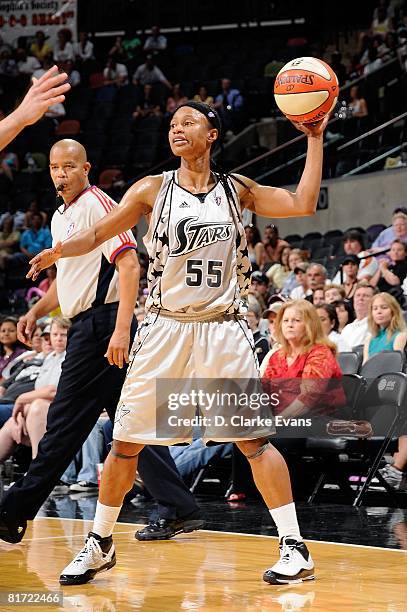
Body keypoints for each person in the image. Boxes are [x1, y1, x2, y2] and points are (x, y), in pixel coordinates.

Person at [27, 101, 329, 586]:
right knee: (125, 443)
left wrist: (314, 138)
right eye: (172, 124)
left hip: (223, 327)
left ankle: (294, 546)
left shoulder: (238, 191)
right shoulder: (152, 189)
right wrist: (59, 251)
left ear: (212, 135)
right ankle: (100, 543)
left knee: (252, 441)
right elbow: (100, 232)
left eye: (188, 122)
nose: (177, 129)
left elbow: (303, 202)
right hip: (165, 327)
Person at [0, 139, 202, 547]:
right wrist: (36, 312)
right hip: (87, 324)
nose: (61, 174)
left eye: (69, 167)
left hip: (102, 327)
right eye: (55, 167)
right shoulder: (61, 217)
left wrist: (121, 329)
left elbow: (129, 266)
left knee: (62, 425)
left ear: (86, 168)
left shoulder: (99, 204)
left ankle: (12, 512)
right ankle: (180, 507)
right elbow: (69, 282)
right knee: (131, 425)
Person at [0, 317, 69, 462]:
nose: (58, 339)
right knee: (13, 423)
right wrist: (21, 412)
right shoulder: (50, 358)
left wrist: (21, 400)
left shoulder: (70, 357)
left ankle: (37, 467)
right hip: (36, 409)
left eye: (63, 335)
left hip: (62, 409)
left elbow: (53, 392)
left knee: (37, 407)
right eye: (55, 335)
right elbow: (40, 389)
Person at [262, 300, 344, 417]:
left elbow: (308, 399)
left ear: (310, 325)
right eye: (285, 320)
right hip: (283, 423)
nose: (289, 324)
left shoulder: (320, 353)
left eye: (297, 320)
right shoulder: (277, 356)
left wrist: (275, 423)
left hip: (318, 423)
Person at [0, 65, 70, 152]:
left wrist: (20, 118)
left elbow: (62, 112)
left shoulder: (53, 100)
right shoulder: (22, 100)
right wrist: (20, 118)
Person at [363, 292, 407, 362]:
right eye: (375, 308)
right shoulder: (369, 340)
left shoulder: (400, 335)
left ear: (393, 311)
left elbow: (397, 365)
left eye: (384, 307)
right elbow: (364, 368)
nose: (379, 311)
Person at [340, 283, 376, 348]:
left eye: (366, 296)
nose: (360, 298)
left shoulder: (374, 325)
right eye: (358, 295)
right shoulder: (347, 328)